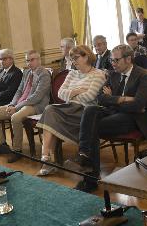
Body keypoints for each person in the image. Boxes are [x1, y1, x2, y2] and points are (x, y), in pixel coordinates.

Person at [64, 45, 147, 192]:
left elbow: (138, 105)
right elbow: (100, 98)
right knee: (91, 109)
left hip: (134, 119)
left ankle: (90, 177)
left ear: (128, 59)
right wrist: (122, 99)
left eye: (116, 60)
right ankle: (84, 154)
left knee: (92, 126)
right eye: (111, 59)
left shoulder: (143, 75)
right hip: (115, 113)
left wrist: (113, 99)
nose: (113, 63)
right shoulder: (113, 74)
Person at [36, 45, 106, 176]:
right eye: (72, 58)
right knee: (50, 110)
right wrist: (76, 91)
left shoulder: (98, 74)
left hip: (85, 112)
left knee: (50, 115)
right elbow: (60, 93)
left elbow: (90, 97)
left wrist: (70, 93)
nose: (73, 61)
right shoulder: (72, 73)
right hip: (68, 108)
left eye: (76, 58)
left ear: (86, 56)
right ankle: (45, 156)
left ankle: (47, 163)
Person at [0, 50, 51, 163]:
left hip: (35, 106)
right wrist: (12, 104)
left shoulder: (44, 74)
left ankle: (17, 150)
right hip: (19, 103)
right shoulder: (26, 73)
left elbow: (37, 97)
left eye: (32, 60)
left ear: (39, 60)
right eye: (27, 60)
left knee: (15, 117)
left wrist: (16, 107)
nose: (29, 63)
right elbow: (19, 91)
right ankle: (2, 145)